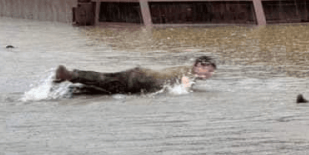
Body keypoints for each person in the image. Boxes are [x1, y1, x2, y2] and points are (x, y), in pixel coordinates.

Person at [53, 55, 217, 95]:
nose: (209, 74)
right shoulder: (187, 72)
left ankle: (71, 86)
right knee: (106, 82)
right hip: (141, 80)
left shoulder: (184, 69)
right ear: (198, 66)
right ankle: (71, 75)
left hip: (140, 77)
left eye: (211, 72)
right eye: (208, 70)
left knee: (106, 85)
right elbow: (184, 87)